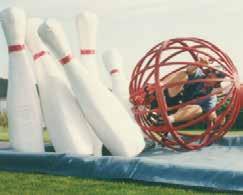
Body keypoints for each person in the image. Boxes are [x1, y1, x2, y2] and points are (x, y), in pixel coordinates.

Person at [146, 56, 226, 126]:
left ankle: (165, 120)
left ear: (216, 83)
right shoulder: (199, 76)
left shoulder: (211, 97)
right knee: (183, 74)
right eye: (209, 75)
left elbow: (211, 115)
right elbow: (189, 70)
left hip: (178, 113)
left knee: (198, 109)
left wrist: (219, 121)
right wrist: (199, 63)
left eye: (212, 78)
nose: (208, 77)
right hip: (168, 97)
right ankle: (158, 87)